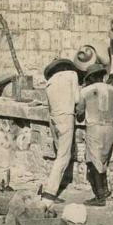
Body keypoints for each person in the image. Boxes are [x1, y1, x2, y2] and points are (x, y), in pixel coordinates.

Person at [76, 64, 113, 206]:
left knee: (94, 161)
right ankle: (105, 190)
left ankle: (100, 196)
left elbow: (80, 114)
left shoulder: (86, 91)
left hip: (94, 127)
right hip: (109, 127)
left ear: (92, 77)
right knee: (104, 160)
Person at [39, 58, 80, 204]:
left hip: (53, 118)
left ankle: (51, 184)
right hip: (66, 117)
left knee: (59, 154)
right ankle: (50, 193)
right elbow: (77, 99)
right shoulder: (72, 75)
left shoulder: (50, 81)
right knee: (63, 156)